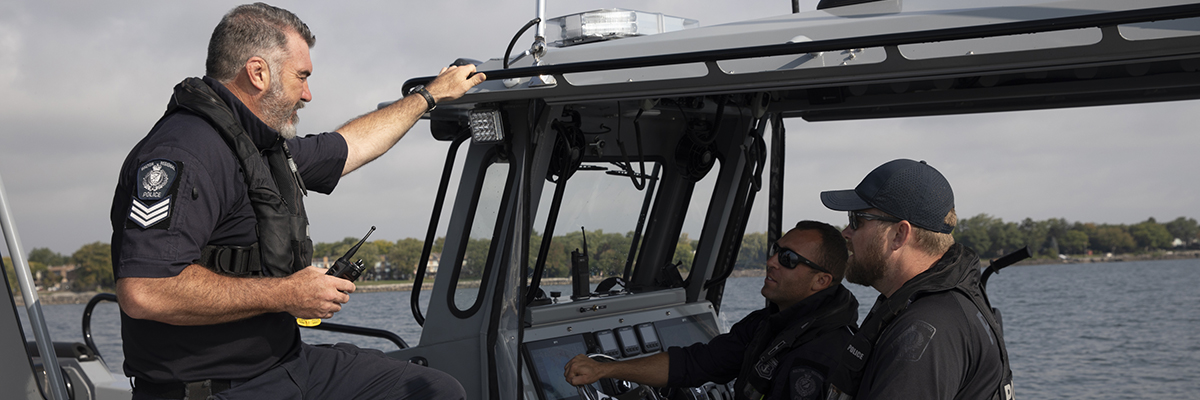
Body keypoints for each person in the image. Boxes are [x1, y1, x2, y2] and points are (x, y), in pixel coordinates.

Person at [108, 3, 485, 400]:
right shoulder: (187, 152)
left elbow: (351, 145)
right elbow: (145, 290)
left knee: (433, 391)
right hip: (217, 388)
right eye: (301, 76)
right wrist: (288, 294)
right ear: (258, 73)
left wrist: (429, 96)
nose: (307, 94)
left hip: (285, 366)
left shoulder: (260, 148)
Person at [564, 221, 859, 400]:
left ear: (821, 281)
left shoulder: (827, 354)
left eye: (789, 259)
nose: (772, 262)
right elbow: (697, 364)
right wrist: (606, 369)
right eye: (775, 250)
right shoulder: (770, 324)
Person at [819, 159, 1014, 400]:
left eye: (855, 219)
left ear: (900, 234)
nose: (846, 233)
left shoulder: (926, 333)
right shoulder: (933, 308)